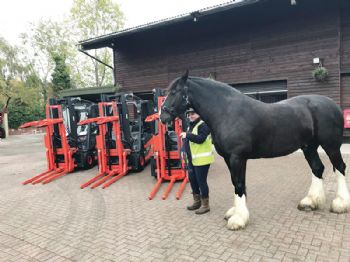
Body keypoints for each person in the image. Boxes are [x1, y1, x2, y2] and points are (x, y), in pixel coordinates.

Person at [180, 108, 214, 214]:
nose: (191, 116)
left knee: (201, 182)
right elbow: (189, 141)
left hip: (202, 160)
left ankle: (205, 205)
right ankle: (197, 202)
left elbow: (200, 139)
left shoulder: (203, 125)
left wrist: (187, 135)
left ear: (199, 113)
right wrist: (183, 149)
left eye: (193, 113)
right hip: (192, 160)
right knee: (193, 181)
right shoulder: (191, 125)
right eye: (189, 114)